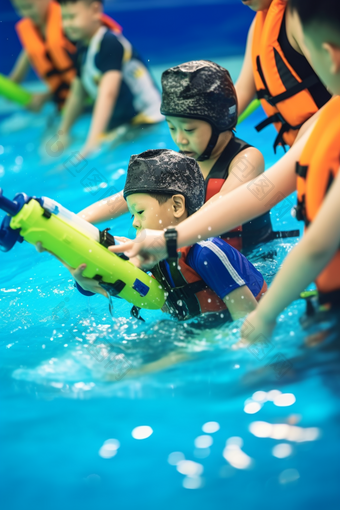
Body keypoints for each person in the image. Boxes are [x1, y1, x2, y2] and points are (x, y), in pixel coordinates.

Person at [111, 0, 340, 338]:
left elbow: (299, 229)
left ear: (328, 55)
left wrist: (264, 317)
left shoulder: (320, 127)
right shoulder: (326, 122)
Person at [78, 60, 298, 251]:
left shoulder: (247, 159)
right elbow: (125, 198)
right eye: (172, 128)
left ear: (221, 121)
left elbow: (222, 204)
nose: (180, 140)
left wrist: (165, 239)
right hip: (196, 255)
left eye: (189, 130)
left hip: (253, 258)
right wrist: (78, 220)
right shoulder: (178, 161)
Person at [46, 149, 267, 323]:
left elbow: (248, 318)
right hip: (195, 328)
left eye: (140, 212)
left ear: (178, 206)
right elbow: (114, 287)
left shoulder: (207, 253)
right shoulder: (150, 255)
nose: (133, 221)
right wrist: (83, 278)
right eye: (131, 214)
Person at [55, 0, 163, 157]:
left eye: (72, 17)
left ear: (95, 10)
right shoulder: (83, 49)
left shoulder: (109, 43)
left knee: (103, 155)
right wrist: (62, 134)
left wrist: (92, 143)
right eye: (63, 18)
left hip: (146, 121)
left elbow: (108, 93)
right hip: (124, 122)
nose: (67, 24)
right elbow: (77, 94)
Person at [236, 0, 332, 152]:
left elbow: (337, 96)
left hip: (326, 137)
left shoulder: (300, 18)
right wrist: (209, 123)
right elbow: (243, 90)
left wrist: (301, 144)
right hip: (307, 146)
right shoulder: (259, 24)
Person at [9, 0, 77, 112]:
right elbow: (14, 81)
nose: (25, 14)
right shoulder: (33, 37)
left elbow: (86, 74)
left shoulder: (70, 26)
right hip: (65, 106)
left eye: (29, 7)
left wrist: (46, 97)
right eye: (19, 9)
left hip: (87, 102)